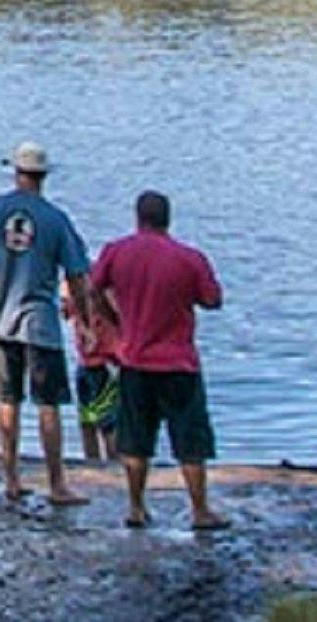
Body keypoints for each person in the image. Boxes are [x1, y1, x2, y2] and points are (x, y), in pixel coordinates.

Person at [89, 189, 231, 531]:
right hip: (178, 362)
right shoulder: (189, 257)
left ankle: (136, 507)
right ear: (168, 219)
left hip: (134, 359)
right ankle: (199, 510)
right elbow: (213, 300)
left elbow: (92, 289)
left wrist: (116, 322)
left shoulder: (116, 251)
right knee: (190, 440)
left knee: (136, 438)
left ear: (138, 218)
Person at [0, 141, 93, 506]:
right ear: (43, 177)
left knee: (7, 400)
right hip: (41, 325)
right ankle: (56, 484)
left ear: (16, 172)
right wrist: (83, 318)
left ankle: (12, 479)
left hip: (2, 320)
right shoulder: (55, 219)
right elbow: (78, 274)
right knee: (48, 403)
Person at [68, 271, 122, 462]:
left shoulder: (84, 285)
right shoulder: (86, 284)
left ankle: (100, 462)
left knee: (97, 420)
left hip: (96, 361)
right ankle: (104, 463)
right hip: (97, 362)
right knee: (98, 420)